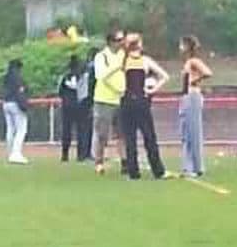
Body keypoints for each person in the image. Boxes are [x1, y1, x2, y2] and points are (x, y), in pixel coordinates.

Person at [119, 33, 168, 180]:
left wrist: (119, 90)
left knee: (130, 138)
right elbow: (164, 76)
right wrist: (152, 89)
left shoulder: (124, 61)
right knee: (149, 136)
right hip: (141, 100)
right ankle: (158, 170)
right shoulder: (145, 61)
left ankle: (133, 172)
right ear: (139, 44)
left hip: (127, 100)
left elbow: (107, 76)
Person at [92, 29, 125, 174]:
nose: (121, 43)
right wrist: (116, 67)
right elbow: (101, 75)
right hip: (104, 99)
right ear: (111, 42)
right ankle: (99, 162)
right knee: (102, 134)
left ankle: (125, 161)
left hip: (121, 99)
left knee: (122, 133)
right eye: (118, 40)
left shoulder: (124, 55)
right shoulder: (101, 56)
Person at [178, 35, 212, 178]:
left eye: (181, 45)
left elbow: (208, 72)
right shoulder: (187, 62)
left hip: (193, 96)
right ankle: (187, 166)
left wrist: (194, 81)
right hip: (186, 97)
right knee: (185, 132)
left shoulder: (194, 61)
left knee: (194, 132)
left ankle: (196, 166)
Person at [58, 53, 93, 163]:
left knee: (66, 130)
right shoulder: (82, 77)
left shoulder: (64, 77)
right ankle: (81, 155)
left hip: (66, 107)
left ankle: (65, 154)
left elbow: (60, 92)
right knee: (82, 131)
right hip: (80, 107)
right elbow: (85, 93)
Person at [1, 57, 30, 164]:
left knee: (10, 129)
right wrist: (24, 106)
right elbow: (20, 92)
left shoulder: (6, 77)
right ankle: (16, 153)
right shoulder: (18, 78)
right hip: (15, 104)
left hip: (6, 103)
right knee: (21, 130)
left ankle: (10, 153)